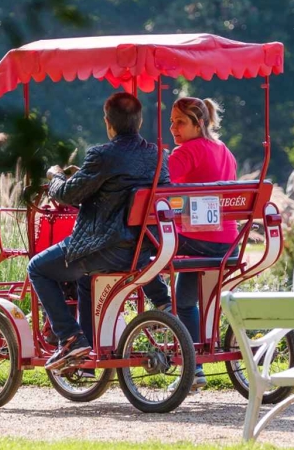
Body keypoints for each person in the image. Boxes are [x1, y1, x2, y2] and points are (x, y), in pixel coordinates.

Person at [28, 92, 170, 371]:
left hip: (104, 250)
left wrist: (55, 175)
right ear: (139, 122)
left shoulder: (103, 154)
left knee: (38, 268)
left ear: (108, 123)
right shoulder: (158, 155)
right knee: (84, 282)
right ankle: (89, 354)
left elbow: (68, 194)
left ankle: (70, 338)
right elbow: (121, 188)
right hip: (143, 250)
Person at [165, 96, 238, 389]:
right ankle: (195, 371)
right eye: (171, 122)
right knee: (185, 300)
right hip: (227, 243)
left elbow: (157, 186)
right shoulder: (225, 151)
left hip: (196, 241)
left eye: (180, 122)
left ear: (200, 123)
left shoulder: (185, 153)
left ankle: (159, 302)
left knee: (138, 252)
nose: (173, 128)